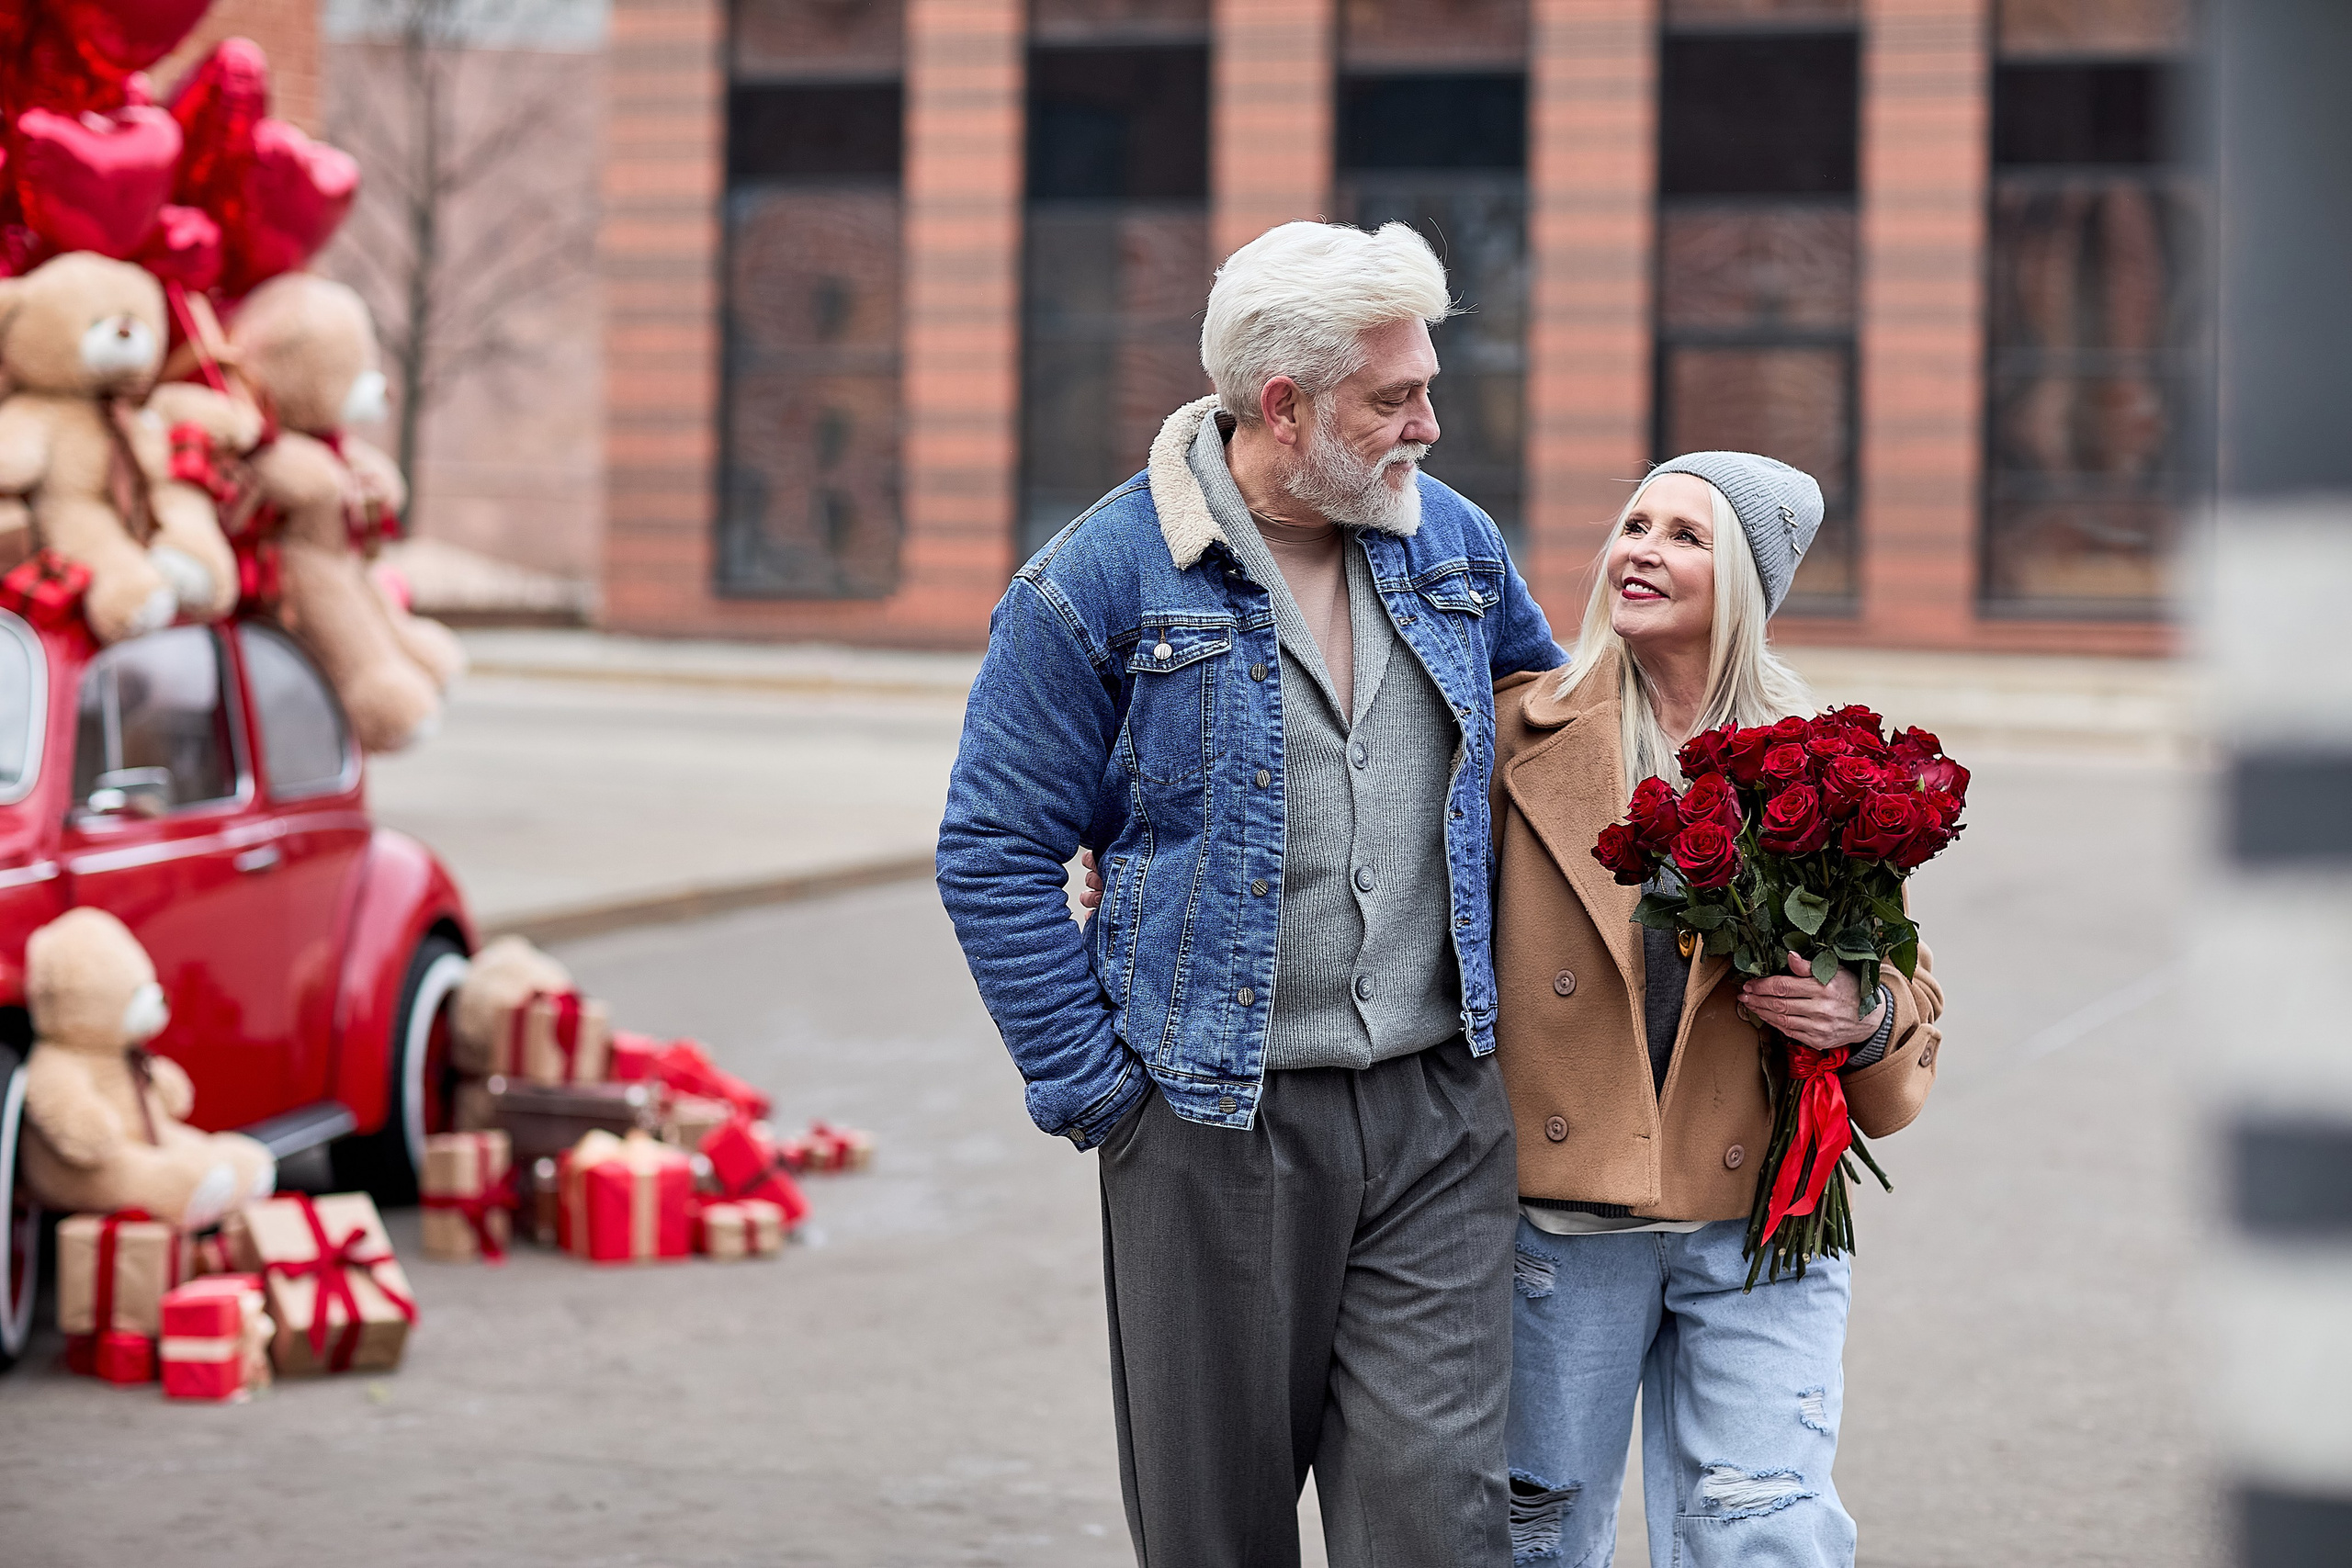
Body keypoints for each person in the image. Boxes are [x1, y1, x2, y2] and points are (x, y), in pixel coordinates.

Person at [936, 220, 1564, 1566]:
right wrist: (1104, 1092)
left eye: (1427, 387)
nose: (1430, 426)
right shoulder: (1095, 583)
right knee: (1213, 1529)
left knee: (1440, 1523)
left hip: (1439, 1112)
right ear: (1285, 408)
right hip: (1210, 1118)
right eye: (1394, 397)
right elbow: (992, 847)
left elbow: (1560, 755)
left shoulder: (1451, 543)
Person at [1487, 453, 1946, 1567]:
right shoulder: (1515, 733)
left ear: (1744, 582)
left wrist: (1862, 1018)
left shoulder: (1824, 763)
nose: (1639, 548)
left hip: (1760, 1221)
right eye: (1634, 524)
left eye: (1684, 536)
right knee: (1534, 1541)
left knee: (1768, 1533)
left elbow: (1903, 983)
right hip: (1560, 1221)